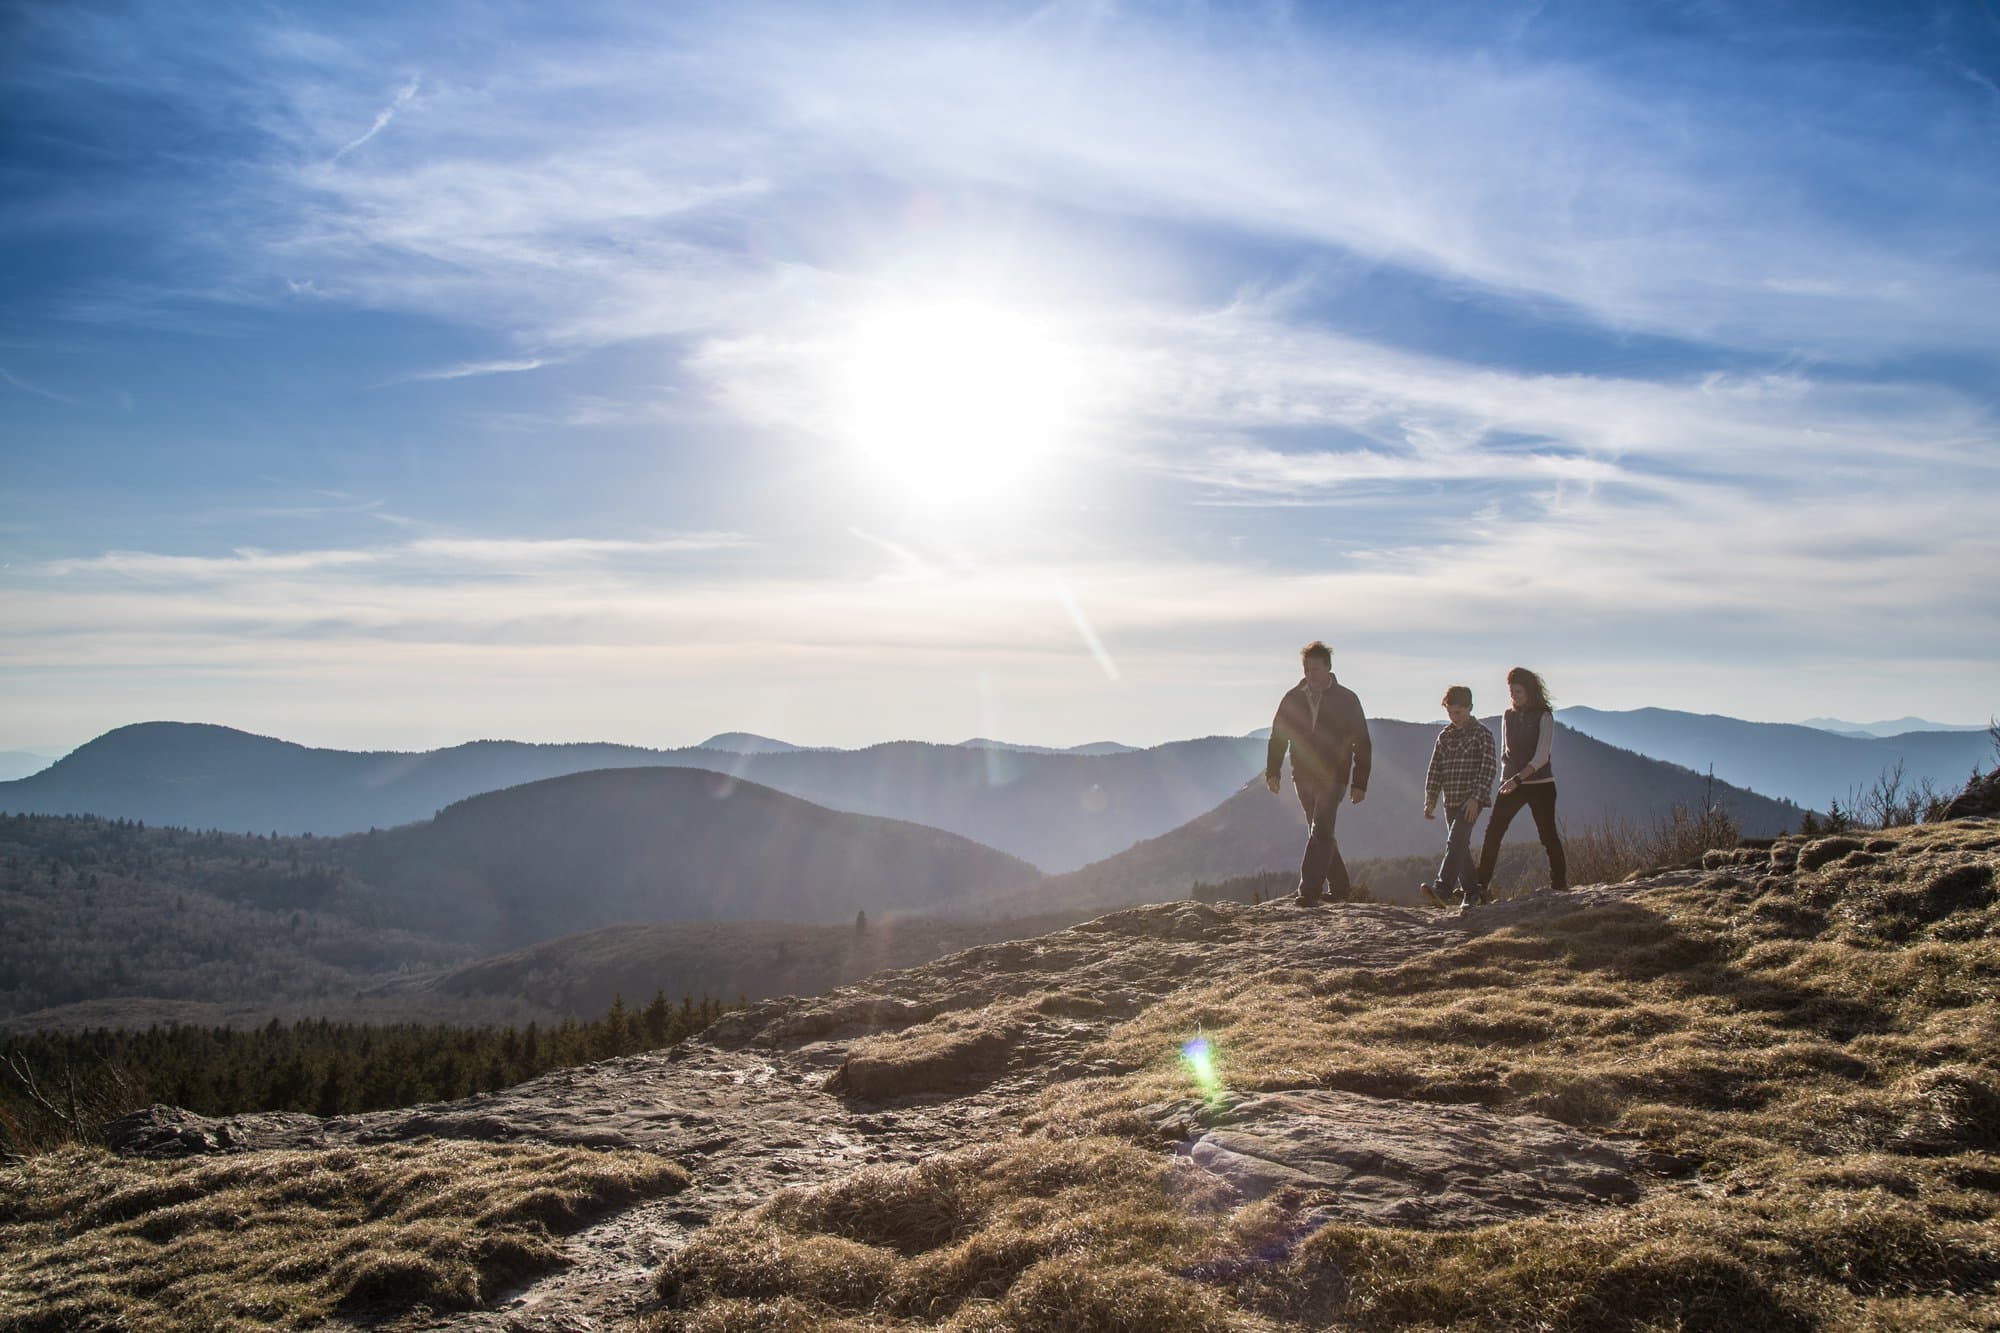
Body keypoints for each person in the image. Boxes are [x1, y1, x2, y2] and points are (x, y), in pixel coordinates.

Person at [1264, 640, 1371, 904]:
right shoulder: (1292, 698)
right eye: (1307, 669)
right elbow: (1278, 737)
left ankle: (1309, 891)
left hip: (1333, 776)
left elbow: (1363, 742)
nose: (1311, 674)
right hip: (1302, 775)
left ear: (1328, 668)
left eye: (1316, 669)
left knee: (1321, 829)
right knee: (1320, 831)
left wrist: (1360, 783)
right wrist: (1273, 771)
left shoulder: (1347, 699)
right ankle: (1340, 886)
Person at [1476, 666, 1568, 895]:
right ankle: (1479, 885)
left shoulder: (1545, 716)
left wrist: (1517, 779)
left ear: (1530, 691)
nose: (1514, 696)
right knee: (1493, 833)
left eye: (1518, 691)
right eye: (1511, 692)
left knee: (1547, 835)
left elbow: (1541, 756)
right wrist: (1505, 780)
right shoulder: (1508, 715)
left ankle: (1559, 884)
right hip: (1511, 783)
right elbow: (1506, 752)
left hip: (1540, 785)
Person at [1422, 685, 1496, 910]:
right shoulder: (1444, 736)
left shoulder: (1481, 734)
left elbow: (1489, 768)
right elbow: (1435, 769)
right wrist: (1430, 800)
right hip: (1450, 801)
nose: (1454, 718)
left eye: (1459, 713)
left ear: (1470, 708)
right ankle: (1473, 892)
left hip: (1470, 801)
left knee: (1455, 842)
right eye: (1450, 713)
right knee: (1460, 848)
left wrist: (1476, 798)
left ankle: (1442, 890)